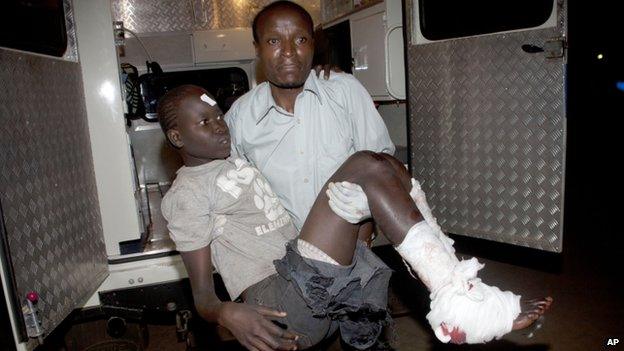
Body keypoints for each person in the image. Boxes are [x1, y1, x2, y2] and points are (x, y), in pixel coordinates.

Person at [159, 85, 552, 350]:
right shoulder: (186, 194)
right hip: (278, 303)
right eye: (204, 122)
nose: (219, 126)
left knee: (387, 166)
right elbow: (202, 297)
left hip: (313, 287)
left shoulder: (228, 163)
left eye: (218, 116)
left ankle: (460, 290)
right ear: (177, 138)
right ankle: (460, 303)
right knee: (364, 166)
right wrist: (226, 312)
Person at [225, 1, 395, 237]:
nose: (288, 51)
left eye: (300, 40)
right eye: (274, 41)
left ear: (313, 45)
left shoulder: (345, 92)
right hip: (282, 259)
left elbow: (382, 164)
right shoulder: (241, 116)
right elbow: (230, 191)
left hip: (352, 252)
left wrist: (365, 223)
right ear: (257, 48)